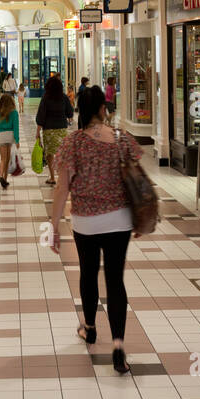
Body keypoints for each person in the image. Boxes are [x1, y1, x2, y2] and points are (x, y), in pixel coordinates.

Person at [48, 86, 142, 374]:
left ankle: (89, 328)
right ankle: (118, 347)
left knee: (88, 273)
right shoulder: (121, 138)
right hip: (119, 220)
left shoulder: (73, 142)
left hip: (86, 221)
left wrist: (53, 226)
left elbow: (62, 187)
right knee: (116, 281)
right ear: (103, 109)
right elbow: (137, 171)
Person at [35, 75, 74, 186]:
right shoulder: (64, 97)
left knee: (49, 154)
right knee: (61, 154)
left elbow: (40, 117)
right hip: (62, 130)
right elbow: (70, 113)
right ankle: (62, 177)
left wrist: (37, 132)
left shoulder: (46, 98)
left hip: (49, 131)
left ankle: (52, 177)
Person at [0, 92, 20, 190]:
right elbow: (16, 127)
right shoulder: (14, 112)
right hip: (10, 135)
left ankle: (1, 176)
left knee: (2, 159)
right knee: (8, 159)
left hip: (1, 136)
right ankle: (5, 178)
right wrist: (17, 140)